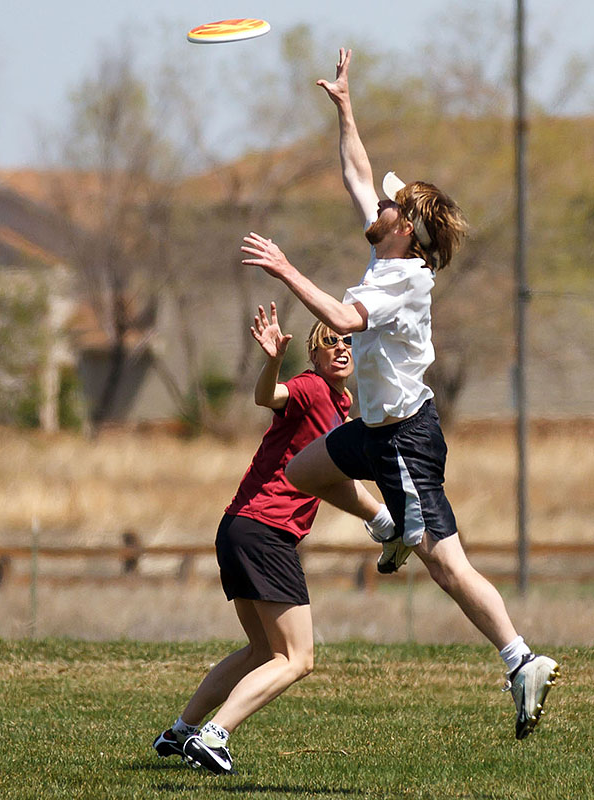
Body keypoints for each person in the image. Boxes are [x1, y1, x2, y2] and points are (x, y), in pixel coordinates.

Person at [240, 48, 559, 741]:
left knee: (445, 561)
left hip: (405, 440)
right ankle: (386, 527)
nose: (376, 203)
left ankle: (520, 659)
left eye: (389, 203)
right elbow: (357, 171)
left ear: (405, 227)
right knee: (304, 470)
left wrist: (287, 268)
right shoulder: (387, 250)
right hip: (379, 433)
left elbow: (347, 320)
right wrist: (346, 109)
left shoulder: (401, 279)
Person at [152, 302, 394, 775]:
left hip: (238, 528)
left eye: (348, 341)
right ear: (314, 354)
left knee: (263, 651)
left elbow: (336, 480)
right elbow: (270, 396)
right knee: (298, 658)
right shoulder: (310, 388)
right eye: (331, 341)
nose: (342, 347)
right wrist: (270, 361)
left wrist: (380, 517)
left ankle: (180, 732)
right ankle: (214, 736)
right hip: (265, 532)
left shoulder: (340, 404)